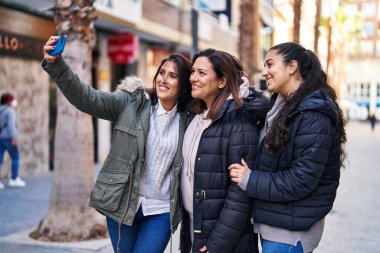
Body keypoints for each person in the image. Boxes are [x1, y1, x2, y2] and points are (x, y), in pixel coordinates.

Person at [42, 36, 192, 253]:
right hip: (122, 204)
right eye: (161, 73)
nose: (163, 80)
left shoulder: (190, 120)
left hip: (160, 210)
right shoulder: (132, 104)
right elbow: (88, 98)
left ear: (183, 84)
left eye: (173, 76)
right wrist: (57, 65)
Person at [228, 42, 347, 253]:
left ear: (292, 67)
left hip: (290, 233)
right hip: (276, 224)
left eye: (270, 64)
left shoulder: (312, 115)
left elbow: (301, 179)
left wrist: (249, 179)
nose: (264, 72)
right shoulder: (281, 106)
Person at [180, 48, 270, 253]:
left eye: (202, 73)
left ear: (222, 81)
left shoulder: (240, 121)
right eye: (193, 72)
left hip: (225, 241)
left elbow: (239, 195)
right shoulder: (197, 116)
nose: (193, 78)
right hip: (197, 228)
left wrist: (215, 246)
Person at [0, 92, 26, 189]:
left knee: (0, 158)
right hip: (8, 138)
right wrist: (14, 138)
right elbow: (11, 126)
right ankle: (14, 179)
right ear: (8, 101)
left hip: (0, 138)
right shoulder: (10, 111)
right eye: (12, 100)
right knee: (15, 157)